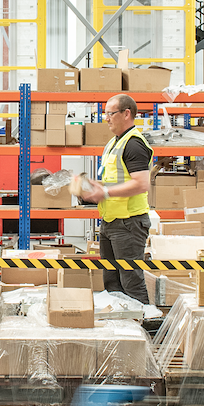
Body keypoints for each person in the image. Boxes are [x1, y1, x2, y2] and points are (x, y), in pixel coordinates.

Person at [75, 93, 153, 308]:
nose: (106, 118)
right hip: (111, 221)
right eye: (105, 114)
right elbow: (116, 179)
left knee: (130, 281)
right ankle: (122, 328)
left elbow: (141, 183)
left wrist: (105, 193)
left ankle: (143, 329)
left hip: (129, 222)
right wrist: (95, 186)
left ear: (126, 114)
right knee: (112, 281)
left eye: (110, 113)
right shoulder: (113, 143)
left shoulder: (134, 144)